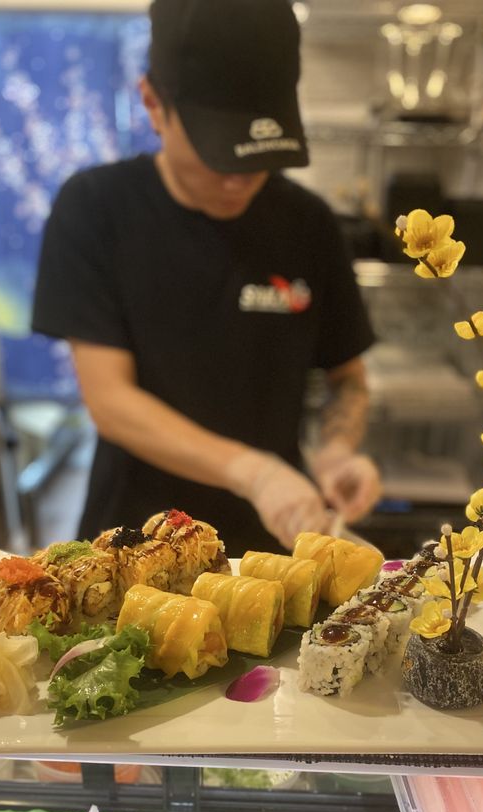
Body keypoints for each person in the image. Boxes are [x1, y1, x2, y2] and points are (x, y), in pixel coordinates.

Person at [32, 0, 382, 555]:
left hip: (272, 539)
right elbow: (109, 399)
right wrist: (253, 472)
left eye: (259, 154)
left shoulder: (310, 224)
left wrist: (337, 451)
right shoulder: (96, 207)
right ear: (154, 104)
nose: (239, 178)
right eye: (218, 151)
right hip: (134, 540)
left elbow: (348, 378)